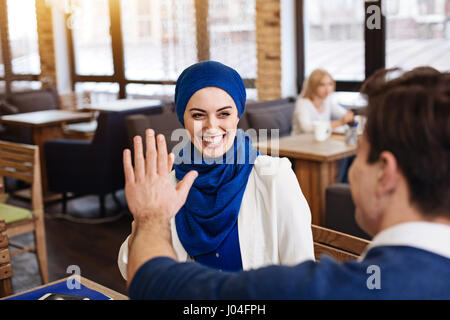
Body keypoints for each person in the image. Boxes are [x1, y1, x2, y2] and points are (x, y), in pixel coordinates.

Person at [124, 66, 450, 299]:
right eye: (198, 115)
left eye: (356, 156)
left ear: (386, 172)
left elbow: (152, 280)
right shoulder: (167, 179)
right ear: (182, 117)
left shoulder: (320, 285)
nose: (348, 173)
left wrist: (150, 216)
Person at [118, 61, 314, 280]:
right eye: (198, 115)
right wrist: (146, 218)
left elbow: (302, 276)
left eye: (223, 114)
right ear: (183, 118)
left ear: (238, 115)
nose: (211, 127)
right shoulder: (170, 184)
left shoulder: (274, 177)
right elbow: (131, 272)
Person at [291, 69, 354, 135]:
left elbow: (342, 113)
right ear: (313, 86)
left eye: (330, 84)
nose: (327, 88)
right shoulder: (302, 103)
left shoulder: (327, 100)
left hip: (320, 140)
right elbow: (307, 128)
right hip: (300, 141)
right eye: (322, 85)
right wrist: (339, 123)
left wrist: (349, 115)